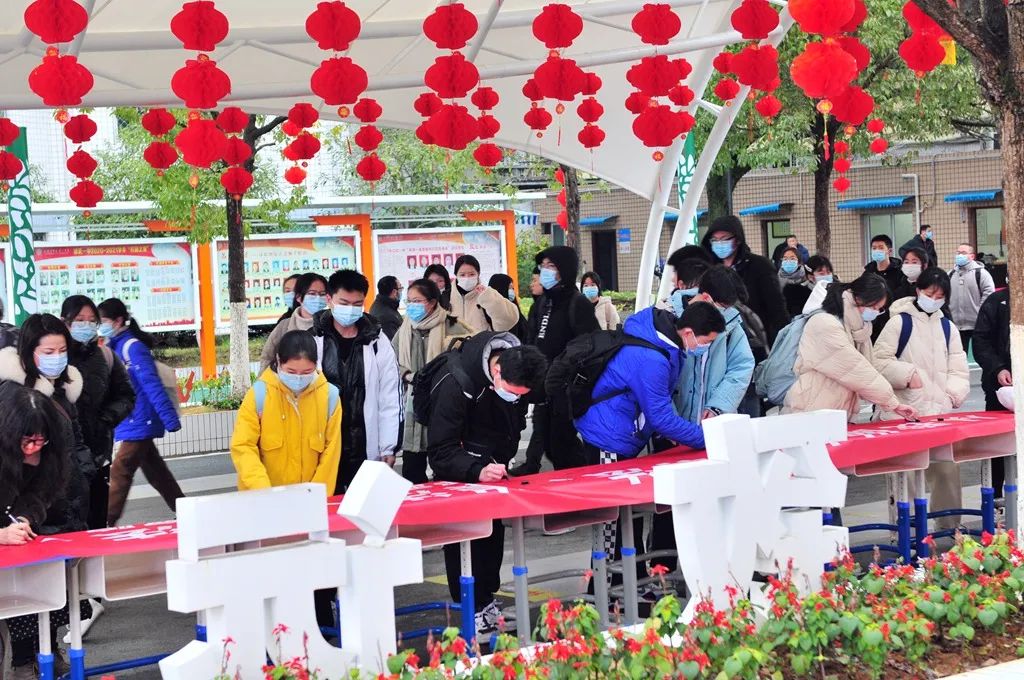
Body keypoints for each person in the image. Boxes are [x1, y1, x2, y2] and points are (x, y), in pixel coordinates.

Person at [425, 333, 547, 638]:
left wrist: (495, 463)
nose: (515, 398)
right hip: (460, 469)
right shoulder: (457, 383)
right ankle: (470, 606)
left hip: (493, 466)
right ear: (497, 371)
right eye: (512, 392)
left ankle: (486, 598)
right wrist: (476, 469)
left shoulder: (519, 372)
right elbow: (440, 450)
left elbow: (512, 422)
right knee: (465, 539)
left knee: (492, 537)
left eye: (521, 396)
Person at [873, 268, 970, 528]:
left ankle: (949, 529)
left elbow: (959, 369)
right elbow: (879, 362)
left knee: (947, 472)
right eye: (930, 294)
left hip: (939, 415)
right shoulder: (899, 323)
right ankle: (908, 532)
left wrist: (952, 394)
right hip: (905, 415)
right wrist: (907, 375)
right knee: (906, 478)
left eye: (940, 296)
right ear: (918, 291)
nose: (934, 300)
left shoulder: (948, 327)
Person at [574, 302, 723, 459]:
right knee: (609, 476)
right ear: (688, 333)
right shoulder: (653, 360)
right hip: (607, 436)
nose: (706, 347)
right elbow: (661, 418)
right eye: (706, 342)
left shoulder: (662, 341)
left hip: (617, 424)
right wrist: (706, 438)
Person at [0, 383, 78, 678]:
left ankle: (38, 656)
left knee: (40, 591)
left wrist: (24, 517)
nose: (34, 448)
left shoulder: (52, 444)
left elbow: (46, 492)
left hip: (22, 530)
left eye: (40, 441)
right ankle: (22, 663)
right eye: (27, 441)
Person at [310, 270, 402, 493]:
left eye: (357, 304)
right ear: (329, 299)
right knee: (326, 509)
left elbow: (390, 396)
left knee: (365, 509)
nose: (350, 309)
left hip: (366, 448)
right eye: (344, 303)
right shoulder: (313, 339)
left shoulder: (377, 341)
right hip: (323, 449)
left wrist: (388, 446)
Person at [0, 314, 93, 535]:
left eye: (63, 351)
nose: (57, 358)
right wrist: (18, 519)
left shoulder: (64, 388)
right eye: (49, 352)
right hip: (33, 518)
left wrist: (85, 470)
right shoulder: (14, 397)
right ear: (28, 352)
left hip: (66, 505)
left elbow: (76, 439)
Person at [512, 247, 600, 475]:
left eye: (551, 266)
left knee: (563, 445)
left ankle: (583, 484)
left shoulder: (577, 303)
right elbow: (533, 340)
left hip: (566, 390)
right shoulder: (542, 303)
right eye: (543, 266)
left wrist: (565, 373)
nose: (545, 271)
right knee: (549, 443)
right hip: (543, 389)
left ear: (565, 270)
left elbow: (590, 345)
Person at [783, 274, 918, 422]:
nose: (875, 312)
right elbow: (856, 369)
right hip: (811, 411)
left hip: (836, 411)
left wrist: (905, 375)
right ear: (858, 299)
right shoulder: (825, 323)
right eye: (873, 307)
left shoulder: (859, 329)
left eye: (879, 309)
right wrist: (892, 403)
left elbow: (871, 367)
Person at [98, 298, 185, 527]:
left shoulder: (132, 347)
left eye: (103, 321)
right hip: (133, 419)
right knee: (156, 471)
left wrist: (169, 418)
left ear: (118, 321)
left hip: (141, 419)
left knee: (121, 469)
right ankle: (185, 509)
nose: (100, 326)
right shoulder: (113, 346)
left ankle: (105, 521)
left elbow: (151, 383)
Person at [231, 330, 342, 491]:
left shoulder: (329, 397)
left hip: (309, 499)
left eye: (306, 372)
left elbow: (331, 454)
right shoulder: (259, 395)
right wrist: (264, 491)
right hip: (264, 497)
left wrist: (314, 495)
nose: (298, 378)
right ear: (278, 361)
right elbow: (243, 446)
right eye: (291, 371)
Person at [60, 296, 136, 530]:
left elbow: (126, 395)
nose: (86, 325)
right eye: (79, 319)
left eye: (92, 320)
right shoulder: (55, 358)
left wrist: (106, 419)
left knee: (96, 522)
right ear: (65, 322)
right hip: (62, 458)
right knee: (65, 523)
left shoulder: (106, 357)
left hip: (97, 455)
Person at [393, 279, 472, 484]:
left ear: (432, 302)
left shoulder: (454, 327)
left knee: (446, 468)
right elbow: (391, 361)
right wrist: (407, 375)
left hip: (443, 403)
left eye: (417, 301)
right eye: (409, 301)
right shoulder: (405, 328)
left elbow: (466, 364)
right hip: (413, 406)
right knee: (412, 471)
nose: (412, 306)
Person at [674, 266, 755, 423]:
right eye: (722, 307)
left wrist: (718, 406)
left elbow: (741, 366)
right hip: (674, 425)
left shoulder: (731, 324)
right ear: (706, 298)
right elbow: (656, 383)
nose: (725, 312)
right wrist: (670, 422)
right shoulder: (669, 317)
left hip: (713, 423)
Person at [701, 215, 790, 343]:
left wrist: (783, 342)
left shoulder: (760, 266)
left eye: (724, 239)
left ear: (737, 240)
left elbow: (777, 309)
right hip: (719, 339)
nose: (719, 244)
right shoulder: (709, 270)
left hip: (758, 339)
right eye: (714, 240)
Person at [973, 285, 1011, 499]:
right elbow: (981, 341)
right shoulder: (996, 301)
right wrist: (998, 368)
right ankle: (993, 498)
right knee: (996, 445)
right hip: (1000, 386)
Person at [260, 273, 329, 372]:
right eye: (312, 293)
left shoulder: (333, 325)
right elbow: (267, 358)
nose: (317, 298)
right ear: (299, 297)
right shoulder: (284, 326)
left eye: (322, 294)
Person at [449, 255, 520, 333]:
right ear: (456, 275)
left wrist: (488, 298)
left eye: (472, 274)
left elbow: (508, 321)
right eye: (462, 275)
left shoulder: (487, 295)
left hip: (482, 340)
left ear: (478, 274)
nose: (467, 278)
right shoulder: (446, 297)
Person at [948, 243, 995, 354]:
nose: (960, 255)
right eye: (958, 253)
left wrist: (981, 312)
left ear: (972, 256)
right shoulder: (950, 274)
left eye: (963, 253)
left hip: (977, 325)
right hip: (956, 325)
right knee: (959, 356)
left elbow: (989, 293)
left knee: (982, 355)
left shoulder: (981, 273)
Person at [866, 235, 909, 342]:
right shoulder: (868, 273)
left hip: (895, 322)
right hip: (873, 325)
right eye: (874, 248)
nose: (877, 251)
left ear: (889, 251)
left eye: (881, 248)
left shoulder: (900, 272)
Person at [487, 273, 530, 342]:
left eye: (512, 288)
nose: (512, 291)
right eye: (509, 288)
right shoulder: (488, 313)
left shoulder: (515, 311)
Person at [369, 275, 405, 341]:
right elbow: (394, 343)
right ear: (394, 292)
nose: (401, 292)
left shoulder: (384, 304)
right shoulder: (385, 316)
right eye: (400, 288)